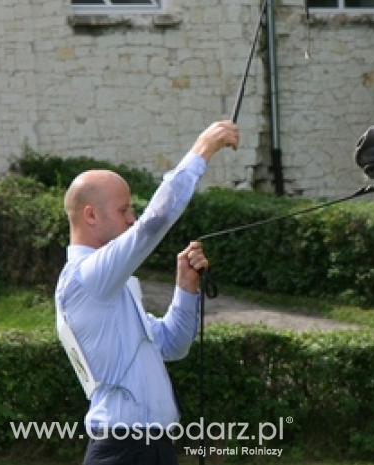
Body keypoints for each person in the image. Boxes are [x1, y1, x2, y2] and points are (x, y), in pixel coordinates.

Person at [55, 121, 239, 465]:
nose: (132, 218)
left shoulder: (110, 287)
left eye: (131, 211)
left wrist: (185, 289)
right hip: (123, 452)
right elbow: (153, 223)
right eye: (124, 210)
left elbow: (172, 344)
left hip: (153, 450)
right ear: (90, 215)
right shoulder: (86, 278)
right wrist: (202, 149)